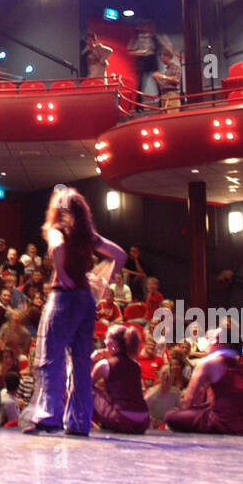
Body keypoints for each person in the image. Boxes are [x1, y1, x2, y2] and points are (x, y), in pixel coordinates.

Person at [25, 186, 126, 436]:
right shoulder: (89, 236)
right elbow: (120, 255)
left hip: (63, 298)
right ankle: (79, 421)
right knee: (81, 362)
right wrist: (104, 281)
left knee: (50, 357)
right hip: (86, 300)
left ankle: (49, 417)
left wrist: (60, 273)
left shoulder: (57, 230)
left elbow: (58, 248)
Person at [164, 326, 243, 435]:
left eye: (212, 339)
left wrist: (185, 408)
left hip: (223, 423)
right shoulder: (239, 366)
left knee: (170, 416)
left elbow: (188, 401)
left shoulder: (208, 362)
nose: (208, 342)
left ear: (221, 343)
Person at [92, 324, 151, 434]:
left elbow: (84, 383)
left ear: (113, 344)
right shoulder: (136, 364)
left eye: (106, 339)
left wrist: (92, 359)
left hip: (122, 420)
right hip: (143, 421)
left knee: (89, 390)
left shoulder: (104, 365)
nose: (104, 342)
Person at [152, 46, 181, 111]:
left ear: (167, 56)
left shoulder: (176, 67)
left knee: (172, 116)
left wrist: (162, 76)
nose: (162, 60)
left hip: (172, 95)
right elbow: (163, 85)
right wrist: (156, 79)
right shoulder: (167, 70)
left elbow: (177, 80)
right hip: (164, 95)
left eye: (162, 58)